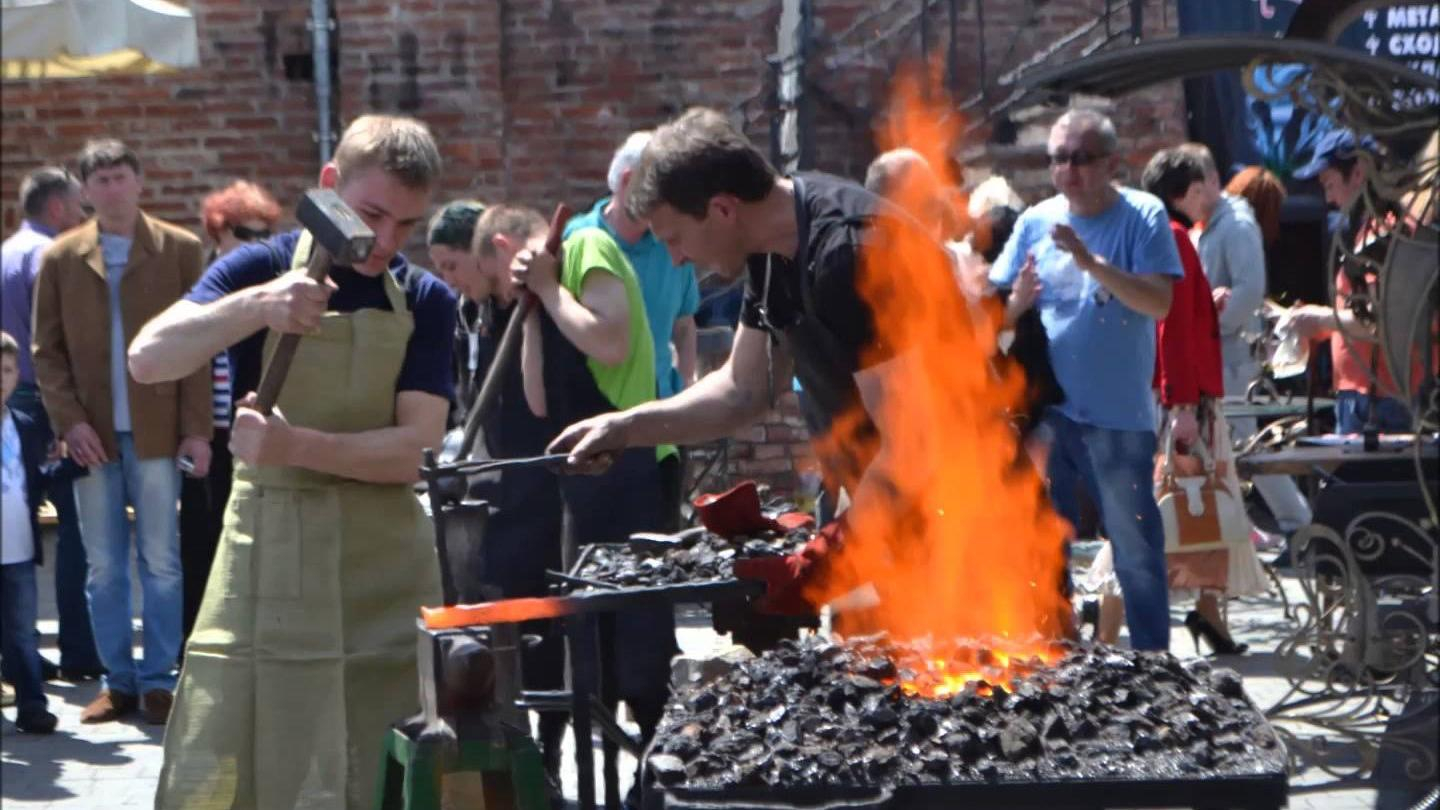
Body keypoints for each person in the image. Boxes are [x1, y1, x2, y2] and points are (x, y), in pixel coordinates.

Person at [128, 115, 454, 810]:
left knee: (386, 739)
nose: (385, 242)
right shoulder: (261, 268)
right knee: (244, 734)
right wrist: (256, 307)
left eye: (406, 226)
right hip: (270, 554)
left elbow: (415, 450)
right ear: (330, 187)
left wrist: (295, 446)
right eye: (372, 216)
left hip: (383, 563)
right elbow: (149, 357)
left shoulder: (427, 300)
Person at [545, 107, 942, 621]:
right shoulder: (773, 254)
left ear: (723, 209)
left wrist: (818, 562)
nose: (676, 260)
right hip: (897, 527)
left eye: (674, 238)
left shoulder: (848, 252)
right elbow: (740, 389)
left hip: (972, 528)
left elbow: (914, 446)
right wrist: (625, 427)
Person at [32, 140, 212, 724]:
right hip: (93, 436)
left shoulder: (179, 250)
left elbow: (199, 346)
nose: (111, 188)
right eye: (99, 179)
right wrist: (70, 422)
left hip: (159, 429)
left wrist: (197, 430)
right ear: (84, 191)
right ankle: (119, 681)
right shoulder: (60, 259)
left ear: (140, 181)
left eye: (120, 176)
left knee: (161, 559)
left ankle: (160, 680)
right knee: (104, 564)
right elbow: (46, 353)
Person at [990, 109, 1182, 651]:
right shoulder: (1035, 221)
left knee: (1134, 547)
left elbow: (1159, 301)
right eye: (1057, 159)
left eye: (1080, 158)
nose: (1067, 170)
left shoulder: (1142, 216)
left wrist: (1091, 263)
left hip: (1119, 420)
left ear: (1111, 163)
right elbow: (994, 310)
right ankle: (1052, 652)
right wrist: (1015, 304)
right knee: (1042, 543)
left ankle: (1153, 665)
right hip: (1050, 415)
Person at [510, 200, 677, 792]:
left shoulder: (587, 246)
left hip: (628, 470)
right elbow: (536, 401)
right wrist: (532, 310)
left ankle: (661, 778)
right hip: (583, 481)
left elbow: (608, 344)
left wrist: (550, 290)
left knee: (640, 641)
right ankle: (602, 778)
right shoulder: (550, 283)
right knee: (590, 646)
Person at [1077, 147, 1268, 654]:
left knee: (1186, 508)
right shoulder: (1176, 236)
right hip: (1183, 400)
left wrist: (1210, 301)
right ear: (1183, 190)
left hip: (1170, 395)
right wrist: (1182, 405)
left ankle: (1207, 617)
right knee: (1166, 509)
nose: (1211, 190)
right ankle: (1109, 633)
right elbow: (1173, 328)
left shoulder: (1150, 235)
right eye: (1202, 182)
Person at [1173, 147, 1314, 539]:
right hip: (1220, 355)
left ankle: (1297, 524)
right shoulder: (1217, 225)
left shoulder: (1234, 226)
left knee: (1245, 447)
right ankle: (1246, 528)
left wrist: (1210, 330)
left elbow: (1249, 290)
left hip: (1230, 358)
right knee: (1224, 449)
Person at [564, 131, 701, 530]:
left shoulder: (670, 241)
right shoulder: (582, 241)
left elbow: (685, 325)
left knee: (662, 543)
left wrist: (688, 385)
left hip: (663, 422)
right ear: (627, 182)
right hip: (599, 419)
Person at [0, 166, 103, 682]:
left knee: (13, 535)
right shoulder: (46, 258)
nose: (86, 218)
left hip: (9, 405)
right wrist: (71, 416)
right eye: (82, 208)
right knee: (76, 529)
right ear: (58, 209)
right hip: (43, 402)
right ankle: (81, 649)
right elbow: (56, 343)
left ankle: (17, 655)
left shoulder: (4, 254)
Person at [178, 181, 281, 646]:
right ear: (219, 232)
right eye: (245, 232)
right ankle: (196, 639)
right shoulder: (204, 287)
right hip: (205, 432)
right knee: (201, 538)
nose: (257, 244)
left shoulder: (271, 291)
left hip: (249, 430)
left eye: (265, 234)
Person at [1286, 129, 1416, 433]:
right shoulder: (1368, 230)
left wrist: (1319, 318)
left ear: (1358, 174)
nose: (1329, 198)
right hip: (1368, 398)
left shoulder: (1385, 233)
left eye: (1330, 184)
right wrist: (1320, 325)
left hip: (1382, 403)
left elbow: (1381, 321)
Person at [1, 331, 59, 734]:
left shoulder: (26, 425)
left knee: (22, 632)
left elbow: (39, 477)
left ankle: (32, 705)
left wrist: (68, 465)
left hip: (18, 547)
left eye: (5, 370)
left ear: (16, 374)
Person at [425, 199, 487, 420]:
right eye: (442, 271)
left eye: (452, 266)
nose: (449, 281)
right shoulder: (464, 311)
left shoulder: (520, 308)